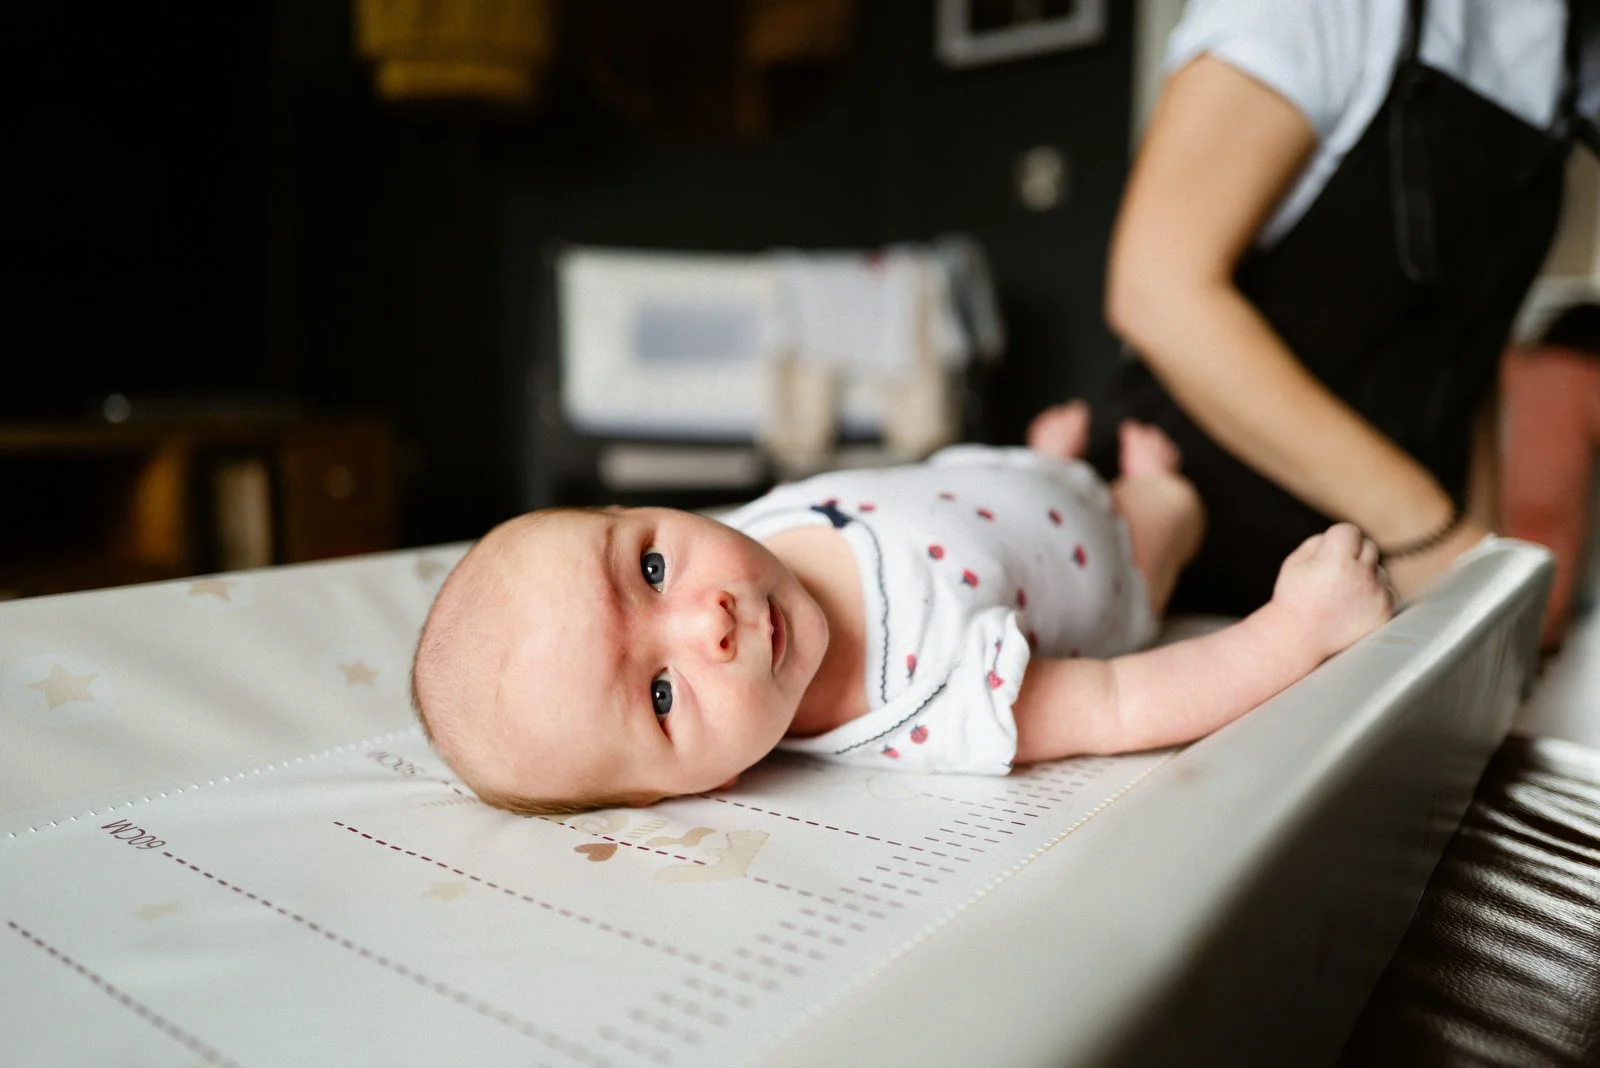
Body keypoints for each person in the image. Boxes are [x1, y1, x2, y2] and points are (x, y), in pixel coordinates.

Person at [411, 402, 1393, 815]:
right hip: (1107, 559)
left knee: (1011, 463)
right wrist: (1293, 630)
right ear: (682, 793)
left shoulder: (748, 525)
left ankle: (1047, 455)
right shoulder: (924, 703)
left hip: (985, 484)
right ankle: (1149, 484)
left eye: (652, 570)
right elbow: (1123, 704)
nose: (704, 621)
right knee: (1165, 518)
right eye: (662, 696)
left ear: (642, 513)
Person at [1077, 0, 1596, 618]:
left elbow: (1468, 347)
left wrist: (1479, 556)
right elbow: (1156, 291)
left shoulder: (1570, 60)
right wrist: (1430, 535)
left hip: (1395, 580)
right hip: (1193, 558)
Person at [1501, 302, 1600, 649]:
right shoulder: (1588, 376)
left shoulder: (1516, 363)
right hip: (1555, 502)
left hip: (1502, 493)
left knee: (1502, 576)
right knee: (1548, 583)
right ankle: (1538, 644)